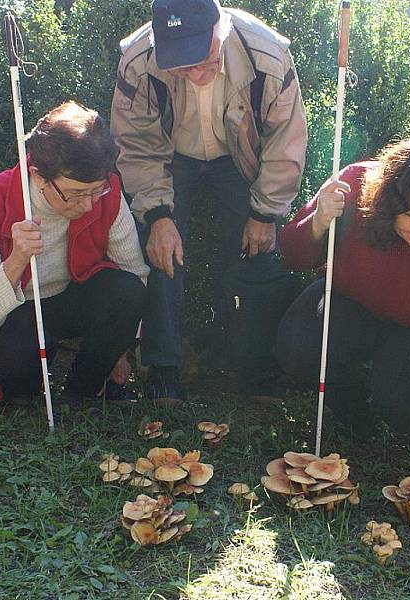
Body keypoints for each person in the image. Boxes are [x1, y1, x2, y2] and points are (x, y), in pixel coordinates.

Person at [276, 136, 410, 514]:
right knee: (296, 345)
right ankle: (351, 406)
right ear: (388, 204)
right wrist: (319, 220)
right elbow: (292, 254)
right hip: (350, 306)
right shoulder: (354, 185)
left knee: (404, 408)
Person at [111, 0, 307, 405]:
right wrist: (158, 214)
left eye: (205, 60)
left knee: (257, 250)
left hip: (239, 157)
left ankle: (256, 367)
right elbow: (136, 145)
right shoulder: (138, 60)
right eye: (182, 66)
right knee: (161, 247)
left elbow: (285, 141)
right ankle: (164, 367)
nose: (197, 75)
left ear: (222, 29)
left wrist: (265, 212)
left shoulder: (267, 54)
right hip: (169, 157)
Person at [0, 101, 149, 406]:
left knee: (128, 290)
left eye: (95, 190)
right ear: (37, 175)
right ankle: (25, 385)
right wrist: (16, 261)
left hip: (63, 299)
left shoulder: (106, 192)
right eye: (74, 193)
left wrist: (119, 349)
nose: (88, 205)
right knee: (21, 371)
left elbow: (134, 274)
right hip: (10, 317)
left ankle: (83, 389)